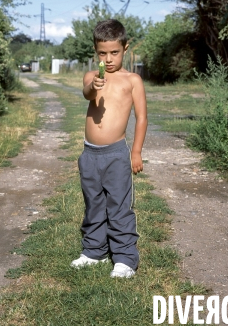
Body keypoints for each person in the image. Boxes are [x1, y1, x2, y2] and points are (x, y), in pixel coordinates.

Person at [70, 19, 147, 278]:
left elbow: (142, 118)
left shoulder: (132, 80)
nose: (109, 58)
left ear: (125, 48)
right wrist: (94, 87)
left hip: (116, 154)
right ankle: (94, 251)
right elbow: (87, 94)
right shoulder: (93, 77)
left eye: (114, 52)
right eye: (102, 53)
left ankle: (125, 258)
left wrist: (135, 151)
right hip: (89, 154)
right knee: (93, 204)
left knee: (118, 205)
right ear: (95, 52)